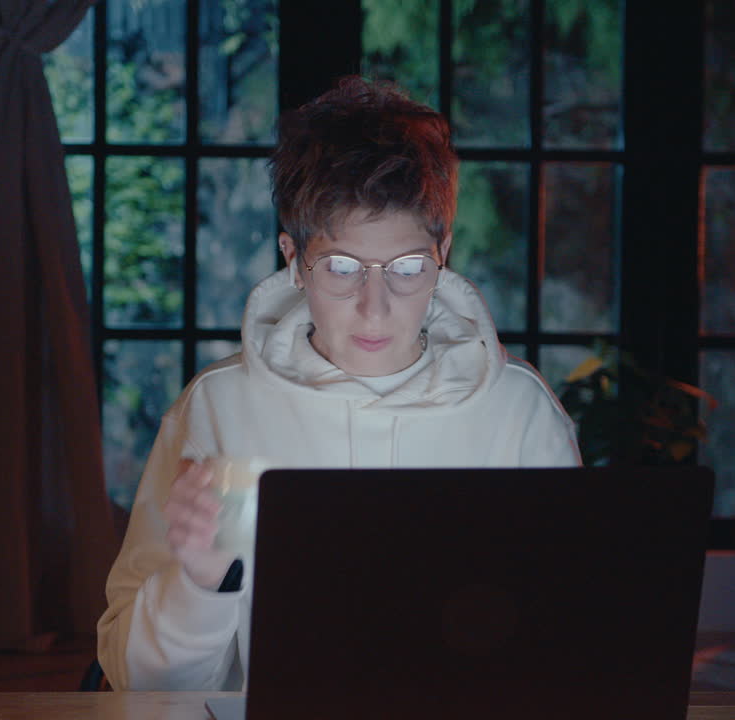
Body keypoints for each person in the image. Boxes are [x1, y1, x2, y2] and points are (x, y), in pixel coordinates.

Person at [96, 76, 581, 691]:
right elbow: (137, 685)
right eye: (341, 268)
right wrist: (200, 584)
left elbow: (572, 644)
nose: (374, 308)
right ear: (293, 261)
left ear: (444, 253)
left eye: (407, 269)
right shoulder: (221, 406)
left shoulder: (518, 410)